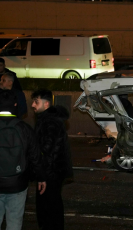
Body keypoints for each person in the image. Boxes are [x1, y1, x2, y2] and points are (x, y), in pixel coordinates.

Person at [0, 89, 46, 230]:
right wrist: (41, 178)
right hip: (18, 183)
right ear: (15, 105)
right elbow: (35, 156)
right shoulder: (24, 128)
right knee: (14, 221)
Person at [31, 89, 73, 230]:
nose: (33, 105)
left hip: (51, 172)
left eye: (36, 102)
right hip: (53, 172)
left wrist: (42, 175)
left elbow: (46, 150)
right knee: (51, 206)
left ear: (46, 104)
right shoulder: (47, 119)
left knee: (48, 208)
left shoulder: (50, 122)